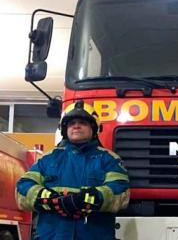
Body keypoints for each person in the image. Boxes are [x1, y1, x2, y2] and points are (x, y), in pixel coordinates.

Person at [16, 100, 130, 240]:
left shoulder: (109, 159)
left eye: (82, 122)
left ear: (94, 128)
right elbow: (22, 189)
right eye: (71, 123)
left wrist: (89, 199)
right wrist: (47, 198)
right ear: (64, 129)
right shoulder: (47, 159)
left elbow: (121, 192)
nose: (76, 126)